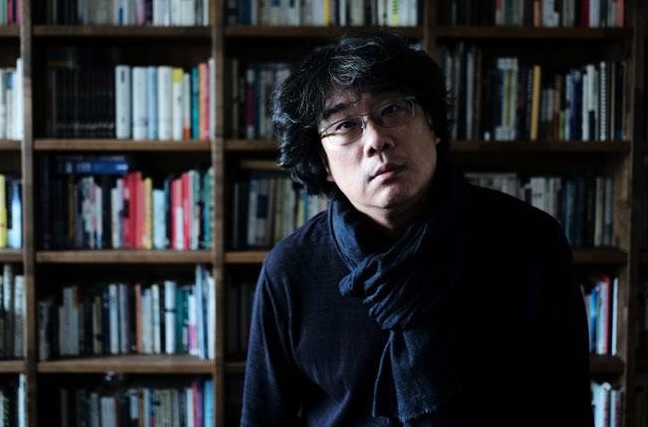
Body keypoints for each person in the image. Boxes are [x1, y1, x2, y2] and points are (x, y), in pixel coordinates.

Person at [241, 31, 593, 426]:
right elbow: (264, 418)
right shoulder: (291, 269)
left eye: (393, 109)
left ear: (433, 124)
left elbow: (565, 408)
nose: (376, 140)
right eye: (344, 125)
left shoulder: (530, 243)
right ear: (323, 163)